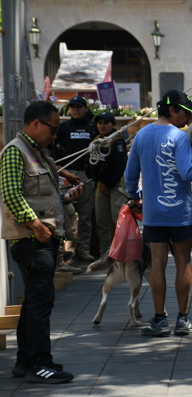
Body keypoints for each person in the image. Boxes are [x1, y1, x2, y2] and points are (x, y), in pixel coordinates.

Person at [124, 90, 192, 337]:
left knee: (158, 264)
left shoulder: (141, 135)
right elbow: (189, 173)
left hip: (154, 214)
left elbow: (130, 174)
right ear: (172, 110)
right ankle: (182, 319)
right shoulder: (178, 137)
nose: (188, 116)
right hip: (180, 213)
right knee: (183, 263)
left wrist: (134, 194)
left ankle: (159, 319)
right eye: (185, 111)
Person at [1, 101, 86, 383]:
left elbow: (39, 196)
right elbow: (11, 195)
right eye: (52, 128)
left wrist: (64, 198)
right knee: (41, 301)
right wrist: (36, 225)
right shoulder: (15, 152)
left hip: (41, 236)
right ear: (35, 123)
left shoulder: (38, 152)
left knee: (35, 301)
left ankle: (24, 362)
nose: (54, 134)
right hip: (32, 238)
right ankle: (40, 364)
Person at [54, 96, 98, 262]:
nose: (76, 110)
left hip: (86, 175)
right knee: (63, 213)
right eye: (72, 107)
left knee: (85, 215)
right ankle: (64, 250)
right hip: (65, 173)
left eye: (79, 107)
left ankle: (83, 250)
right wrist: (62, 171)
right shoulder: (63, 127)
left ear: (85, 108)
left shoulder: (93, 127)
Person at [86, 111, 129, 256]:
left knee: (118, 221)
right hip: (101, 185)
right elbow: (91, 165)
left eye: (106, 123)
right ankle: (105, 253)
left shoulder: (118, 142)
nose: (102, 126)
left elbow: (120, 166)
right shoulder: (96, 142)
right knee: (101, 221)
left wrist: (108, 185)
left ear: (113, 125)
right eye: (99, 123)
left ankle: (123, 252)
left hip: (117, 185)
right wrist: (100, 182)